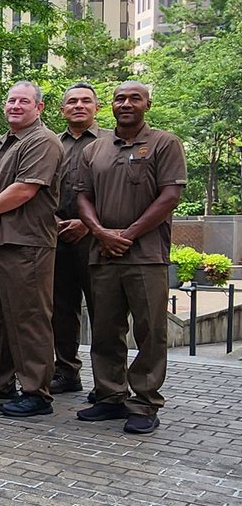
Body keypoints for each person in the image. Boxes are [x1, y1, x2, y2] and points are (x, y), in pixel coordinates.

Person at [75, 81, 185, 435]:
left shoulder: (164, 143)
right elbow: (83, 197)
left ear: (147, 104)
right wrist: (102, 233)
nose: (126, 103)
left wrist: (128, 234)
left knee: (150, 331)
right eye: (120, 98)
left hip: (146, 256)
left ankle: (145, 402)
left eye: (134, 98)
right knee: (106, 329)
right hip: (103, 253)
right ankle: (110, 396)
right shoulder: (95, 150)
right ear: (111, 105)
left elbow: (169, 197)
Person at [0, 81, 63, 418]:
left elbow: (25, 189)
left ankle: (36, 391)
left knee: (29, 318)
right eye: (11, 100)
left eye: (24, 101)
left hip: (26, 244)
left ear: (40, 107)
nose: (15, 106)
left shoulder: (42, 142)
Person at [51, 82, 102, 396]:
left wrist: (89, 224)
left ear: (97, 108)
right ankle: (66, 371)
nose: (78, 106)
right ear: (62, 109)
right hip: (55, 237)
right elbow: (39, 189)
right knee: (61, 309)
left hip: (97, 239)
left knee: (104, 311)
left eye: (86, 101)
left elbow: (118, 192)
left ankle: (108, 382)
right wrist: (53, 220)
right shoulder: (51, 144)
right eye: (72, 101)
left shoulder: (111, 142)